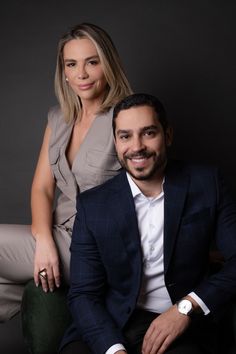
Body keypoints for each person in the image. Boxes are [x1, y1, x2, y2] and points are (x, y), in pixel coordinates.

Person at [60, 93, 236, 354]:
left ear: (168, 135)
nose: (137, 146)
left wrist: (186, 308)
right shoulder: (93, 205)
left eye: (149, 133)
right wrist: (113, 349)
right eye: (125, 136)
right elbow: (84, 294)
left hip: (182, 325)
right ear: (116, 142)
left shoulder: (207, 184)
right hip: (113, 323)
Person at [0, 23, 132, 322]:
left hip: (98, 247)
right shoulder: (58, 118)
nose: (81, 74)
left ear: (108, 64)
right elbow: (42, 189)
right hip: (55, 237)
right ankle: (57, 304)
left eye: (92, 62)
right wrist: (45, 242)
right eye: (71, 64)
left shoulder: (126, 116)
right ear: (64, 70)